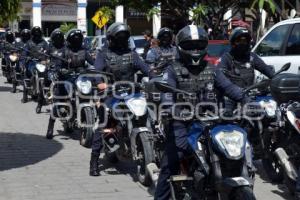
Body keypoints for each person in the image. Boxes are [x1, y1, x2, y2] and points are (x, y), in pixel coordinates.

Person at [154, 25, 218, 200]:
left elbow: (228, 87)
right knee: (171, 163)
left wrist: (244, 99)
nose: (195, 50)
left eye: (198, 45)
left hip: (210, 121)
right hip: (181, 121)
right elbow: (167, 92)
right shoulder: (172, 69)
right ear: (181, 47)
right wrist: (169, 107)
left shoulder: (212, 68)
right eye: (190, 46)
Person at [90, 22, 152, 176]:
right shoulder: (104, 53)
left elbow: (146, 69)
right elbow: (97, 70)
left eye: (124, 37)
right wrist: (100, 83)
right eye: (119, 37)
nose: (121, 39)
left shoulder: (132, 54)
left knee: (148, 113)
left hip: (132, 93)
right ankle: (94, 161)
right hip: (111, 94)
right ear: (111, 38)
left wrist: (155, 78)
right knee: (103, 123)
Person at [46, 28, 94, 139]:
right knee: (58, 100)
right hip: (67, 78)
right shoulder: (64, 50)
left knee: (91, 91)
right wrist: (60, 70)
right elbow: (57, 64)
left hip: (80, 78)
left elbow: (93, 62)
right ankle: (50, 127)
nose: (76, 41)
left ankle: (88, 116)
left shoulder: (84, 51)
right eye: (74, 39)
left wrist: (95, 67)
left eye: (78, 39)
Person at [214, 27, 275, 112]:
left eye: (245, 41)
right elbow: (220, 78)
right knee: (228, 121)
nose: (243, 43)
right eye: (239, 41)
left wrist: (277, 78)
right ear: (233, 42)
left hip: (249, 97)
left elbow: (266, 69)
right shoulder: (226, 58)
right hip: (231, 100)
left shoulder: (251, 57)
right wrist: (236, 92)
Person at [36, 28, 65, 114]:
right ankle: (40, 104)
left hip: (63, 70)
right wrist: (44, 61)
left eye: (59, 38)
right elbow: (44, 56)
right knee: (44, 84)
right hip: (52, 70)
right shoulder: (50, 47)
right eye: (56, 38)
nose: (58, 40)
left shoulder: (65, 47)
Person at [21, 26, 49, 103]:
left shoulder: (44, 43)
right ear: (32, 34)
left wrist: (47, 60)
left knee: (48, 75)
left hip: (41, 63)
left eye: (38, 33)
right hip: (31, 63)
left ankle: (46, 93)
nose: (37, 35)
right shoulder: (29, 43)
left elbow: (49, 52)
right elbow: (24, 53)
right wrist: (24, 60)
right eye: (35, 34)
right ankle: (25, 95)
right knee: (26, 74)